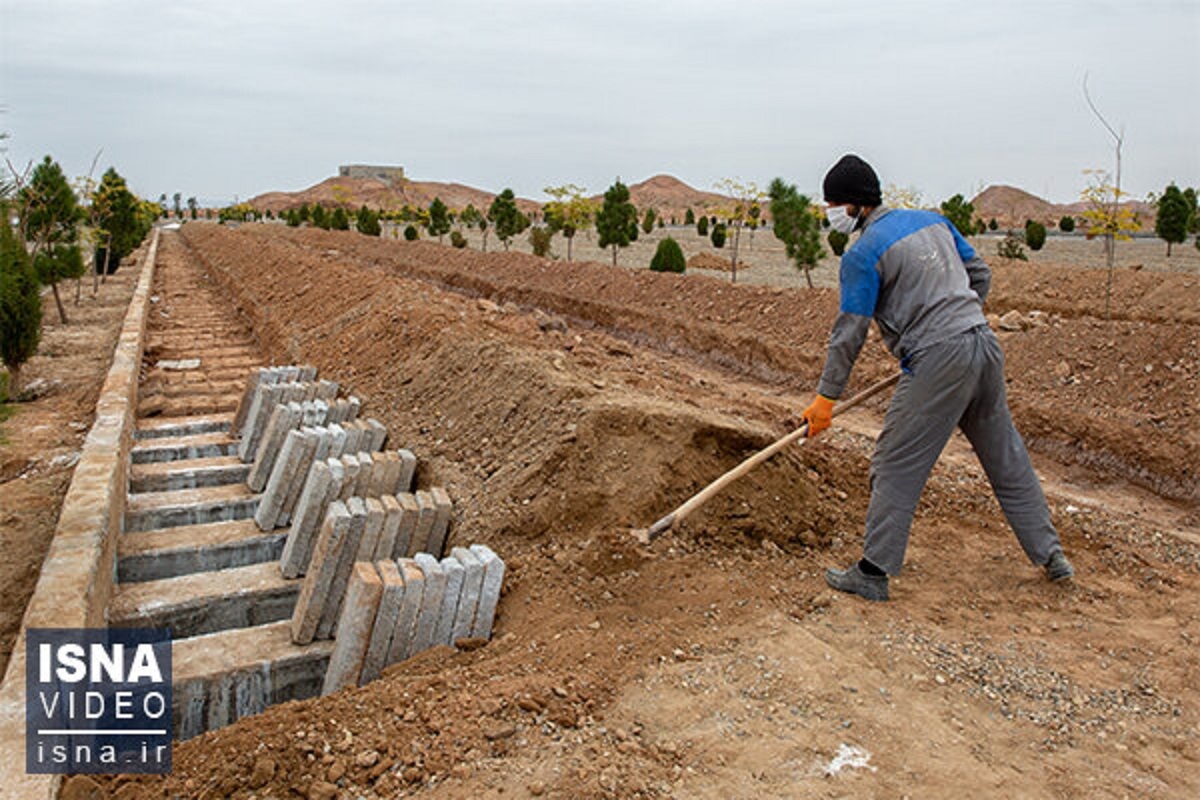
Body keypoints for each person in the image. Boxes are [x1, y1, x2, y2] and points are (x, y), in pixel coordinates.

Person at [802, 154, 1074, 602]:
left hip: (939, 359)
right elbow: (980, 276)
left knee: (894, 461)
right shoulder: (934, 222)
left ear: (853, 206)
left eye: (832, 204)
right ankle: (1051, 556)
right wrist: (958, 318)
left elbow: (848, 332)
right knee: (1006, 457)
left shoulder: (862, 254)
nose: (830, 213)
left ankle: (873, 572)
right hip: (984, 346)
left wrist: (825, 399)